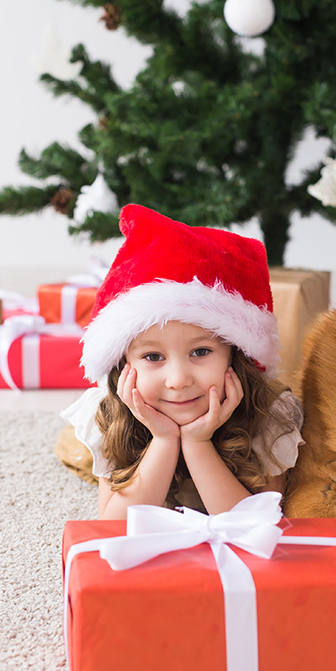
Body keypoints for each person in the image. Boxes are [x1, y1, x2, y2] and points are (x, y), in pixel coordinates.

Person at [60, 204, 303, 519]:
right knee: (74, 451)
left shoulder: (268, 414)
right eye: (152, 356)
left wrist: (197, 443)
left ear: (235, 353)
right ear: (124, 365)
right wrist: (163, 439)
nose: (178, 379)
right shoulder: (110, 414)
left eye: (201, 352)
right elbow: (115, 525)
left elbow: (254, 525)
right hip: (138, 426)